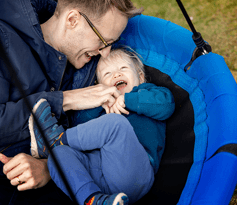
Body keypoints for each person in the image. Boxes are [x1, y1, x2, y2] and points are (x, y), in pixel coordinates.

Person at [0, 0, 143, 204]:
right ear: (72, 20)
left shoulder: (86, 64)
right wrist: (65, 99)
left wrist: (49, 167)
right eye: (103, 41)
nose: (105, 53)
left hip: (54, 182)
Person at [28, 48, 175, 205]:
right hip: (99, 174)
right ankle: (93, 199)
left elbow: (166, 105)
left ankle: (56, 140)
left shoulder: (147, 92)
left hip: (136, 171)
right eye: (107, 74)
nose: (116, 75)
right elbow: (81, 128)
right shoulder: (101, 108)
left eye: (123, 68)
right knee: (58, 155)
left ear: (141, 76)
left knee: (116, 124)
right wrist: (99, 102)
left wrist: (128, 99)